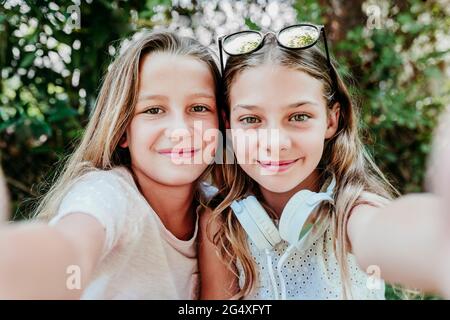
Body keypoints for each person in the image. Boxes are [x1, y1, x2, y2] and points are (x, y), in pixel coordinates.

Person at [199, 26, 450, 300]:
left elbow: (384, 233)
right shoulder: (220, 224)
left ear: (331, 120)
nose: (275, 142)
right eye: (251, 120)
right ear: (228, 125)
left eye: (299, 116)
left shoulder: (351, 210)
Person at [0, 30, 222, 299]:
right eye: (153, 110)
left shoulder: (221, 209)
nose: (180, 130)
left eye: (199, 108)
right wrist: (26, 267)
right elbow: (74, 248)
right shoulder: (108, 194)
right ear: (123, 131)